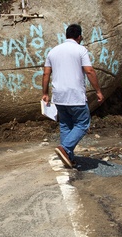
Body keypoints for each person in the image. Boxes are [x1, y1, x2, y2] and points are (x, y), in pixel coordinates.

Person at [41, 24, 104, 169]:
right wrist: (98, 91)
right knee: (82, 124)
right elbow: (89, 71)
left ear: (66, 35)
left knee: (66, 125)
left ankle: (68, 157)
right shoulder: (80, 50)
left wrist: (45, 93)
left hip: (59, 96)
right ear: (79, 37)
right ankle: (64, 148)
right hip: (75, 95)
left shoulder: (53, 51)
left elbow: (46, 74)